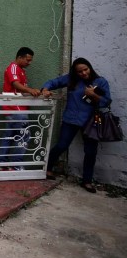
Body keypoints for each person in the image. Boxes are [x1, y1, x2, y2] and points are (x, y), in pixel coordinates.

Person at [41, 58, 111, 193]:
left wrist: (93, 95)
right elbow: (53, 82)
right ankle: (48, 168)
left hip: (90, 122)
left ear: (90, 67)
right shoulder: (71, 79)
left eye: (85, 69)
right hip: (71, 119)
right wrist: (45, 88)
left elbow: (106, 101)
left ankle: (87, 181)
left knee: (90, 152)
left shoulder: (101, 81)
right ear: (75, 72)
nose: (83, 73)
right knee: (61, 145)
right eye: (80, 71)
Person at [0, 47, 41, 169]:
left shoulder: (21, 70)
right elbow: (15, 84)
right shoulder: (13, 68)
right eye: (28, 60)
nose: (29, 63)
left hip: (16, 108)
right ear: (20, 57)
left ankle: (2, 163)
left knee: (9, 135)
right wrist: (30, 90)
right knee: (24, 135)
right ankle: (16, 164)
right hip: (15, 107)